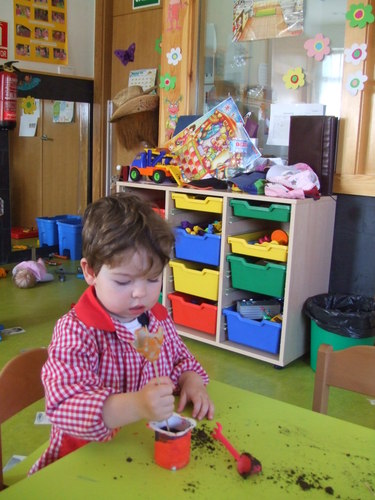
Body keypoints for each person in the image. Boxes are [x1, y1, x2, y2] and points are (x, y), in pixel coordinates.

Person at [30, 192, 214, 474]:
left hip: (141, 452)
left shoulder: (156, 319)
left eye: (153, 279)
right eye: (123, 281)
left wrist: (191, 380)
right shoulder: (77, 331)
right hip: (83, 462)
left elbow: (180, 360)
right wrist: (137, 404)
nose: (140, 293)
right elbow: (63, 406)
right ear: (90, 272)